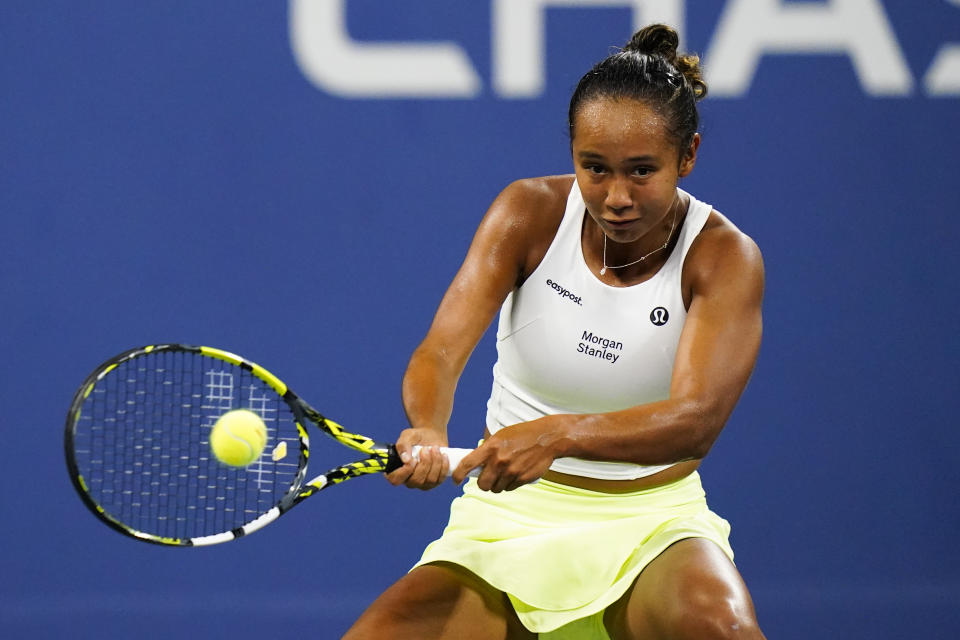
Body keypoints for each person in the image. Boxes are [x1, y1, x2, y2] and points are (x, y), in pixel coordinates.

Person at [344, 23, 766, 640]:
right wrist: (428, 426)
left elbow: (695, 420)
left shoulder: (724, 258)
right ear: (571, 151)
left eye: (641, 171)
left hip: (651, 526)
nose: (615, 196)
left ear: (689, 155)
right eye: (594, 168)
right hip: (507, 520)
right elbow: (440, 350)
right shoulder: (528, 213)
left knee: (722, 631)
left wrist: (558, 435)